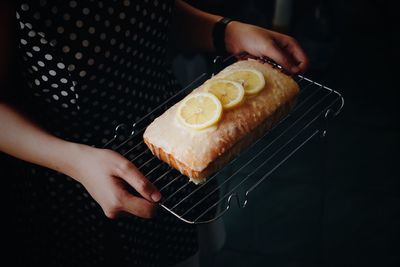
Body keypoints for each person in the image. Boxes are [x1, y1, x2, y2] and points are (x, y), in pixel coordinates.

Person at [1, 1, 308, 266]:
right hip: (72, 179)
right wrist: (75, 162)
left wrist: (226, 32)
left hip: (174, 138)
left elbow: (142, 14)